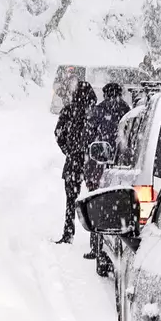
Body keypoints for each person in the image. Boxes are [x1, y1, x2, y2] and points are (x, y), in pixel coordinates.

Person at [83, 82, 131, 263]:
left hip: (98, 166)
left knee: (96, 206)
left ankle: (97, 247)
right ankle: (118, 246)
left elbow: (87, 139)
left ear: (105, 94)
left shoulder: (98, 111)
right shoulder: (127, 111)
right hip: (123, 167)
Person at [54, 81, 96, 244]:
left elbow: (58, 134)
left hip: (74, 161)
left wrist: (68, 150)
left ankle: (68, 232)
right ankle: (95, 238)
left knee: (70, 199)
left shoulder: (69, 110)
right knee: (95, 199)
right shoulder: (94, 112)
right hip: (92, 160)